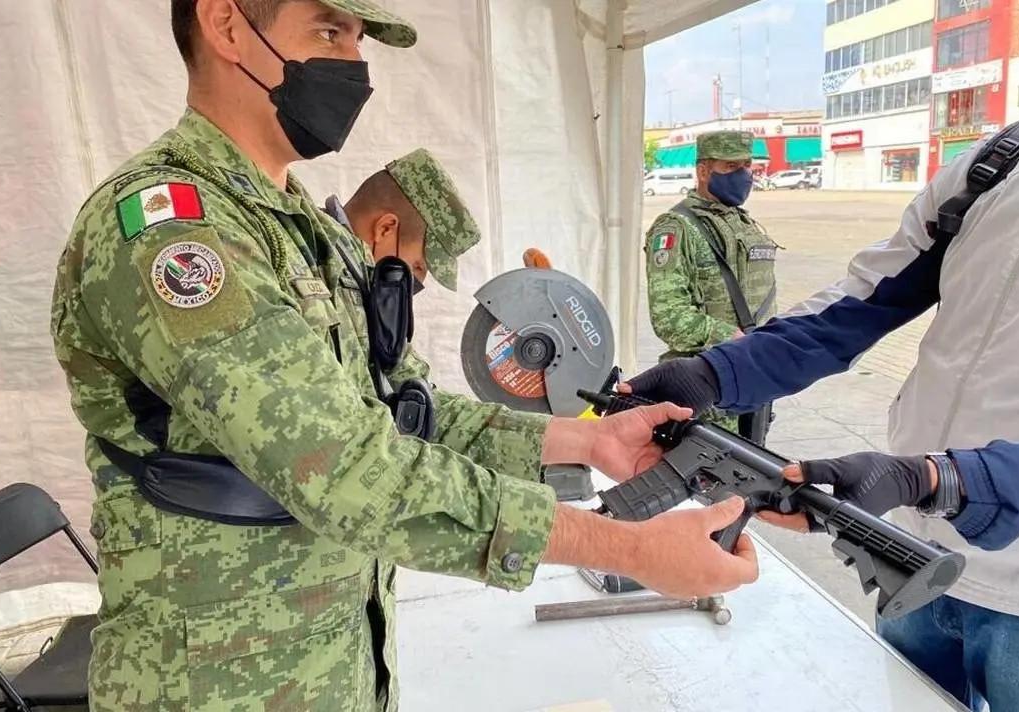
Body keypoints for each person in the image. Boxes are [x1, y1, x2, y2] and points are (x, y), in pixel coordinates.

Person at [49, 1, 760, 710]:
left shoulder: (303, 231)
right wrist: (627, 548)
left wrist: (583, 437)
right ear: (227, 25)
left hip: (333, 660)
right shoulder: (175, 233)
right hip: (213, 682)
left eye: (359, 41)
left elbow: (401, 412)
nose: (356, 65)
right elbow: (348, 468)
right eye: (330, 31)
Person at [622, 3, 1019, 710]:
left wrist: (933, 478)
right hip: (912, 562)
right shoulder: (993, 167)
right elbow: (854, 307)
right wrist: (713, 374)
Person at [642, 130, 779, 444]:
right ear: (703, 171)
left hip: (752, 378)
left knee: (750, 476)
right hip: (709, 387)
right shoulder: (676, 227)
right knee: (711, 486)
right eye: (730, 167)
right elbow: (670, 319)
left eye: (747, 165)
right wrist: (731, 336)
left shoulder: (742, 223)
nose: (744, 174)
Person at [323, 147, 476, 294]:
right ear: (385, 229)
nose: (418, 281)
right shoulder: (312, 266)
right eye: (417, 266)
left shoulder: (347, 280)